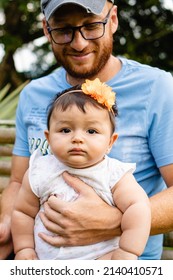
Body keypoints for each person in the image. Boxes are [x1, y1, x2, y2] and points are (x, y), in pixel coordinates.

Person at [0, 0, 173, 260]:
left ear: (112, 19)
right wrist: (7, 225)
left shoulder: (158, 88)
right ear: (47, 30)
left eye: (92, 26)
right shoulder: (33, 94)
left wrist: (110, 222)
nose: (79, 43)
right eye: (63, 30)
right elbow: (17, 181)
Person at [11, 79, 151, 260]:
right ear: (49, 137)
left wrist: (128, 250)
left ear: (110, 142)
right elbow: (23, 212)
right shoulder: (40, 171)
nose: (77, 138)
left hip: (100, 259)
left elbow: (138, 207)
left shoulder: (114, 174)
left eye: (91, 131)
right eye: (65, 130)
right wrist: (24, 248)